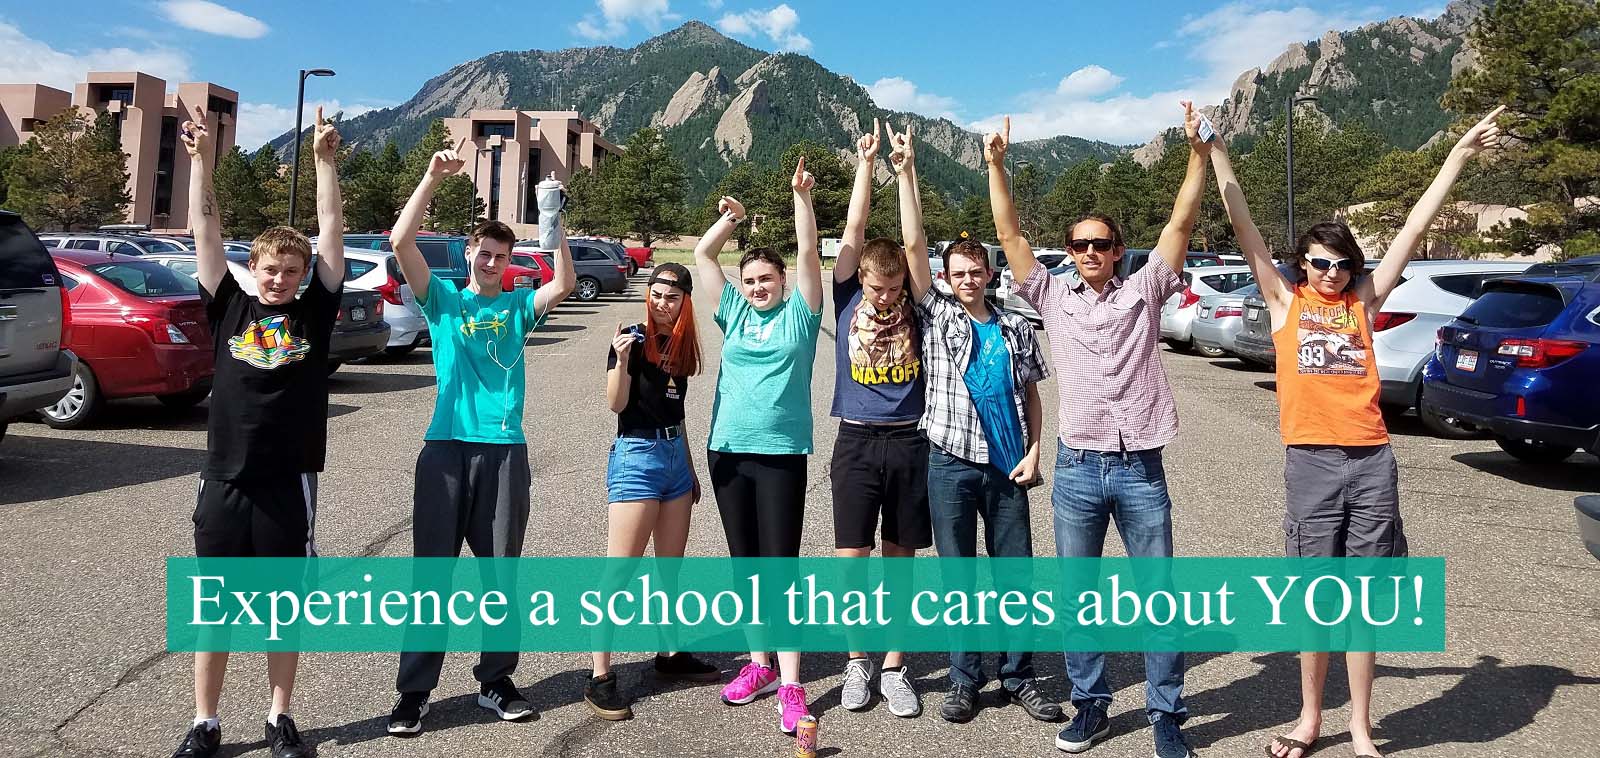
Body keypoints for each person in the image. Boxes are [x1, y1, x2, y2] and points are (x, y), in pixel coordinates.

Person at [1210, 106, 1505, 758]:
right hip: (1311, 462)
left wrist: (1457, 155)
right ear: (1302, 264)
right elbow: (1243, 223)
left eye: (1342, 264)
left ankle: (1362, 729)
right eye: (1320, 263)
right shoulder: (1285, 303)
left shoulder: (1363, 304)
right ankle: (1309, 720)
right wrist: (1216, 150)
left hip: (1371, 461)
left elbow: (1415, 224)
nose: (1332, 273)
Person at [989, 104, 1209, 758]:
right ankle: (1091, 706)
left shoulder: (1146, 289)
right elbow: (1009, 235)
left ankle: (1166, 714)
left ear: (1117, 251)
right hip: (1078, 468)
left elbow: (1180, 222)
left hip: (1141, 468)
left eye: (1100, 244)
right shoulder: (1052, 296)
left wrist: (1197, 155)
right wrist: (996, 165)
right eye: (1079, 244)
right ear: (1070, 253)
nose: (1089, 252)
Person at [170, 105, 344, 758]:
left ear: (302, 275)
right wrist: (200, 162)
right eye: (270, 268)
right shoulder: (229, 306)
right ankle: (205, 723)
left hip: (285, 483)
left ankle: (279, 717)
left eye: (290, 271)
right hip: (224, 479)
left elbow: (331, 229)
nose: (279, 279)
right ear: (255, 267)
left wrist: (323, 162)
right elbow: (205, 227)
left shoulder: (314, 314)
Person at [386, 140, 576, 735]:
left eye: (500, 256)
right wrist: (431, 178)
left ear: (510, 261)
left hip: (504, 452)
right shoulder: (443, 299)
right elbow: (400, 242)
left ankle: (495, 680)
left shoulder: (520, 306)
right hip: (446, 449)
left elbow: (564, 283)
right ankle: (414, 693)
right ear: (469, 254)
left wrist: (554, 220)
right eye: (484, 253)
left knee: (500, 577)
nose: (490, 263)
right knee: (432, 578)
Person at [895, 127, 1059, 726]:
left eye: (976, 271)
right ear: (947, 277)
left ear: (990, 274)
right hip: (949, 463)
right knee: (957, 578)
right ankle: (964, 679)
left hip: (1008, 466)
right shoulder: (936, 313)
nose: (967, 279)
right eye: (958, 272)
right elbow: (913, 245)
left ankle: (1019, 675)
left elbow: (1032, 395)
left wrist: (1035, 451)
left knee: (1016, 576)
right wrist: (906, 174)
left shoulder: (1016, 327)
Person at [693, 159, 824, 736]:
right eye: (749, 281)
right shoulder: (734, 313)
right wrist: (733, 219)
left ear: (782, 281)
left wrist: (801, 199)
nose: (756, 288)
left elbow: (810, 254)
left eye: (765, 279)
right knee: (745, 567)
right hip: (727, 452)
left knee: (780, 568)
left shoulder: (801, 316)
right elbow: (703, 256)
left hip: (780, 455)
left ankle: (791, 683)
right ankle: (759, 665)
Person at [584, 262, 720, 721]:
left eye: (672, 297)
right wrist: (621, 361)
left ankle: (669, 653)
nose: (662, 304)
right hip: (637, 459)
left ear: (685, 302)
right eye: (657, 295)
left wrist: (690, 469)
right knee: (619, 573)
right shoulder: (631, 339)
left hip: (674, 461)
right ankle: (599, 675)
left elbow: (676, 414)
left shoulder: (678, 347)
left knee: (670, 572)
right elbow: (616, 404)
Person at [828, 120, 929, 719]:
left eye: (893, 288)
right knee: (851, 563)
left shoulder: (915, 298)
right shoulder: (846, 296)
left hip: (911, 441)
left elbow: (914, 244)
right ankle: (856, 662)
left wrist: (906, 171)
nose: (886, 296)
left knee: (900, 565)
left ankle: (893, 666)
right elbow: (854, 230)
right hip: (857, 441)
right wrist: (865, 165)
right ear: (861, 280)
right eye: (877, 287)